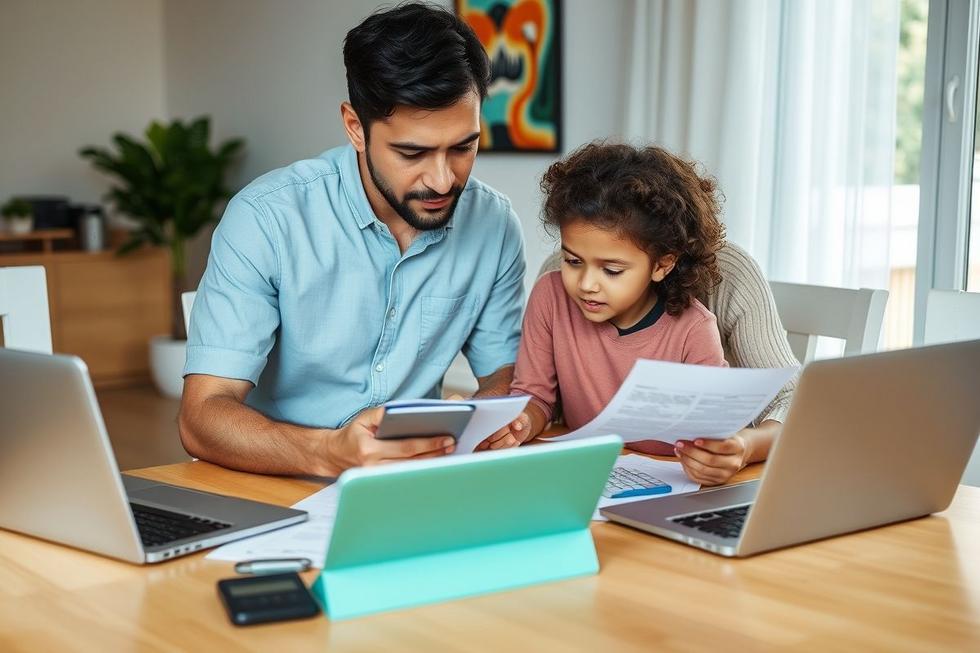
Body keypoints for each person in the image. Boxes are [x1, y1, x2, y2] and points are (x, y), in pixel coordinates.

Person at [178, 4, 526, 477]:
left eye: (463, 147)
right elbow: (201, 416)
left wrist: (486, 415)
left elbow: (503, 372)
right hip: (278, 479)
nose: (443, 180)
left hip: (411, 480)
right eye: (412, 153)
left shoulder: (494, 225)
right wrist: (327, 452)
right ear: (355, 127)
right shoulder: (266, 219)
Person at [489, 146, 799, 485]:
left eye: (612, 270)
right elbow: (534, 397)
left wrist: (735, 447)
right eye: (573, 261)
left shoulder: (695, 327)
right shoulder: (552, 294)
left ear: (663, 264)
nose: (587, 284)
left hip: (674, 481)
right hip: (592, 473)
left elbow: (723, 428)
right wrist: (519, 422)